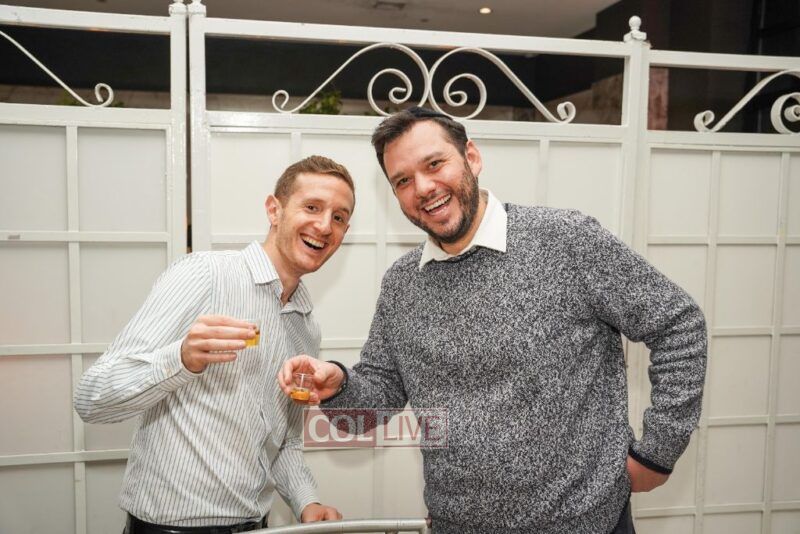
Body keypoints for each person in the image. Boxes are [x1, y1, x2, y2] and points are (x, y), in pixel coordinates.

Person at [279, 108, 707, 534]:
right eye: (403, 181)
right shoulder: (402, 284)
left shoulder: (565, 240)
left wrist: (658, 451)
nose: (423, 188)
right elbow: (376, 402)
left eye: (434, 164)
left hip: (586, 523)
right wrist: (338, 384)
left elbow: (679, 324)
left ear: (472, 157)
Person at [75, 155, 354, 533]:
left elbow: (283, 440)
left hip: (255, 525)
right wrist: (181, 359)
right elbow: (92, 399)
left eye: (339, 217)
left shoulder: (306, 327)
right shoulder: (205, 274)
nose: (324, 225)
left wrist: (307, 501)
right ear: (274, 210)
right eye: (312, 207)